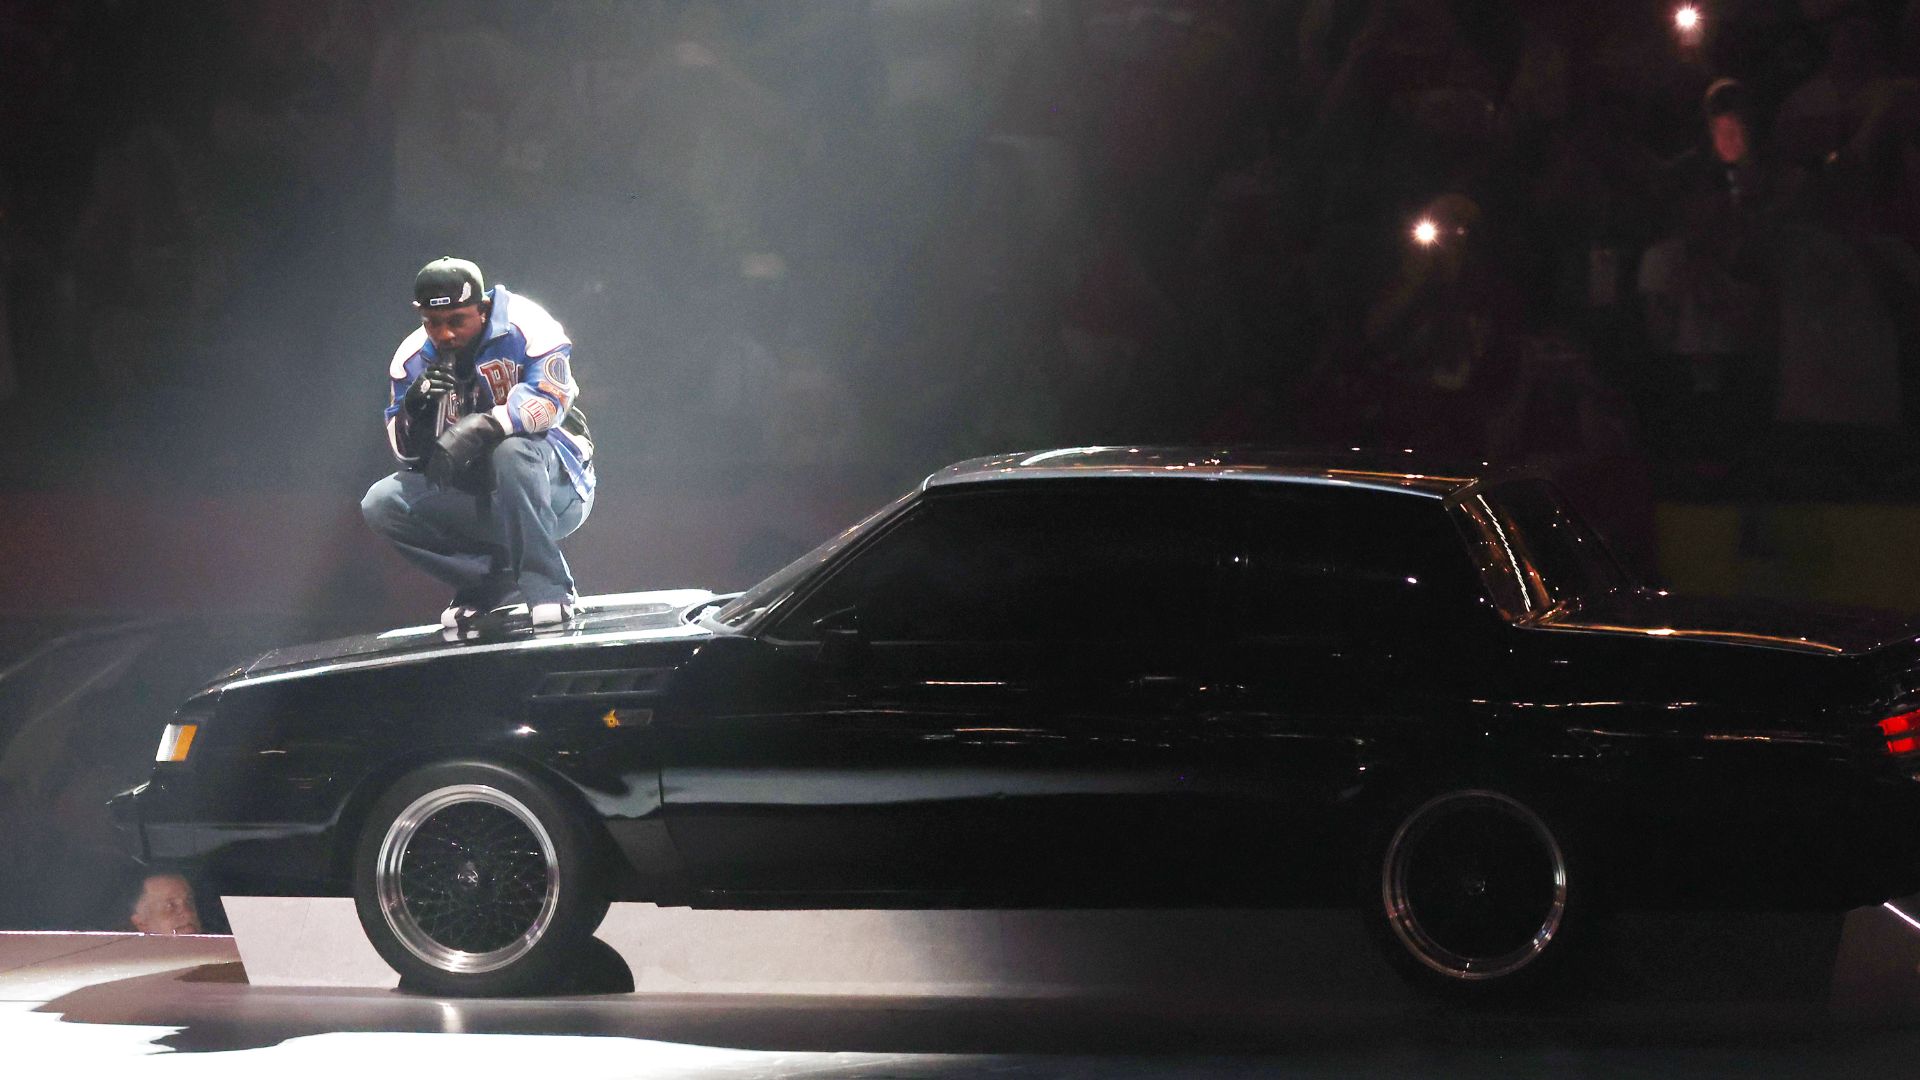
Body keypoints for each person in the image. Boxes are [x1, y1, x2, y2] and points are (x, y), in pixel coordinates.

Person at [361, 257, 595, 632]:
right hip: (483, 497)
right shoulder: (411, 359)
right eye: (432, 322)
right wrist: (415, 411)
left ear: (482, 309)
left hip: (558, 487)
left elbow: (552, 399)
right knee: (382, 502)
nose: (444, 334)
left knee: (511, 451)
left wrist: (483, 426)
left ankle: (549, 587)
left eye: (457, 321)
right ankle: (490, 580)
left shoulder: (528, 323)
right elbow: (405, 454)